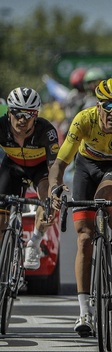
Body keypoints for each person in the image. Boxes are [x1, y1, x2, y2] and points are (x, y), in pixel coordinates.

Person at [48, 78, 112, 337]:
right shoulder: (84, 119)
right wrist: (55, 189)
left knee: (105, 199)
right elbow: (60, 164)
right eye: (109, 105)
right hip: (86, 166)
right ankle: (84, 311)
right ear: (98, 105)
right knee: (84, 238)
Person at [0, 87, 59, 270]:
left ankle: (34, 243)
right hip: (13, 167)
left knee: (46, 199)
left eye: (29, 114)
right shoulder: (1, 126)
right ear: (9, 112)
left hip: (40, 169)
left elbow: (54, 167)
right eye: (18, 114)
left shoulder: (46, 131)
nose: (22, 120)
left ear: (36, 115)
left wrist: (55, 190)